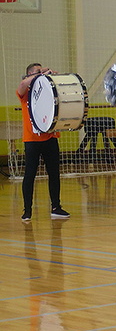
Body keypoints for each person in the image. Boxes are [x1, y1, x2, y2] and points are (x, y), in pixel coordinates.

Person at [17, 63, 70, 221]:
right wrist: (40, 75)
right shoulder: (25, 92)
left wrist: (53, 76)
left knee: (54, 173)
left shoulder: (46, 90)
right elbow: (22, 84)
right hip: (32, 139)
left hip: (50, 137)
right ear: (29, 75)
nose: (42, 74)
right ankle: (27, 210)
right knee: (30, 174)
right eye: (37, 72)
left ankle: (56, 207)